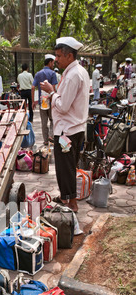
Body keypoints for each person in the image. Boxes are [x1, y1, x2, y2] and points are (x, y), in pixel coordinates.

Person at [40, 37, 90, 213]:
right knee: (67, 166)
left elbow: (62, 106)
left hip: (67, 131)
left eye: (59, 56)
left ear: (69, 55)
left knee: (65, 168)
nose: (56, 60)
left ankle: (72, 204)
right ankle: (65, 197)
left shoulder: (73, 75)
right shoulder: (77, 71)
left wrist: (51, 92)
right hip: (73, 129)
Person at [32, 54, 58, 145]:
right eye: (53, 63)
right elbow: (53, 88)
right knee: (52, 119)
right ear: (50, 62)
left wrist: (32, 101)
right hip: (50, 101)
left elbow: (32, 87)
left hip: (42, 101)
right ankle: (51, 135)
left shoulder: (38, 74)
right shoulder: (52, 73)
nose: (53, 65)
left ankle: (45, 140)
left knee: (44, 122)